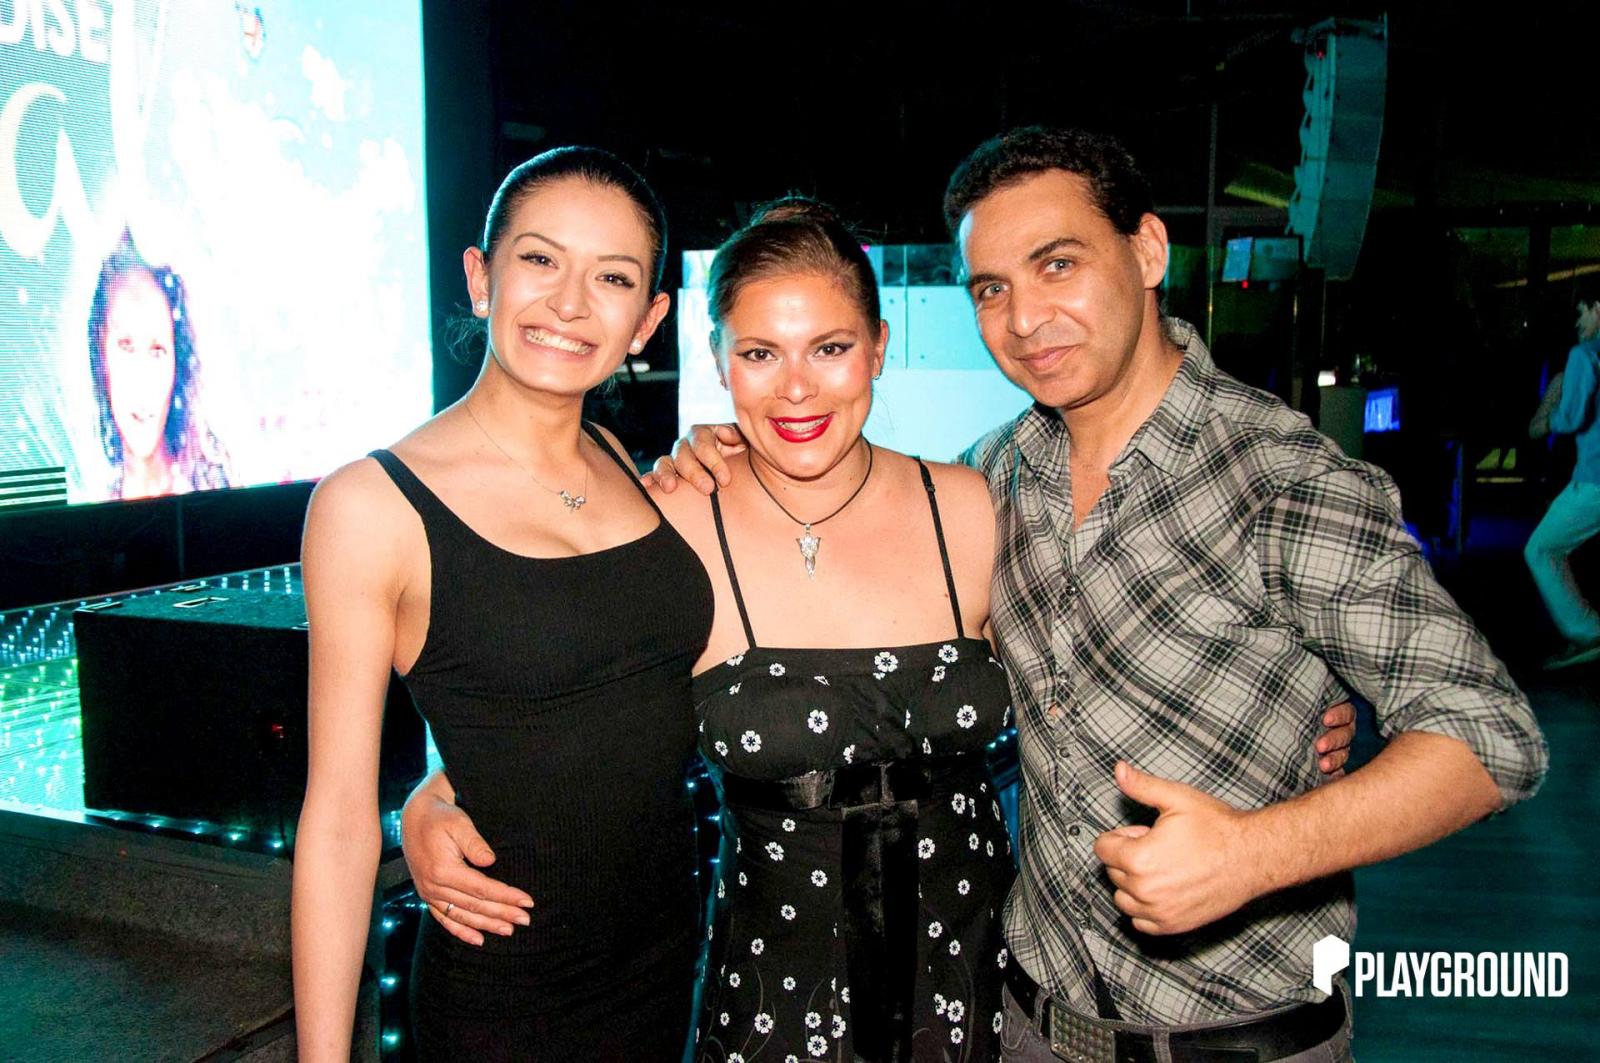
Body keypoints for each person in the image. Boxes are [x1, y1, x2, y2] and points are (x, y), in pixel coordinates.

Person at [658, 127, 1547, 1062]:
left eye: (1058, 264)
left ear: (1148, 250)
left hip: (1235, 1038)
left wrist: (1257, 848)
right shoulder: (993, 479)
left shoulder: (1280, 478)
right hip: (1021, 1019)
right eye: (991, 288)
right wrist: (720, 455)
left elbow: (1491, 735)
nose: (1025, 317)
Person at [403, 195, 1356, 1061]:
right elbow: (571, 696)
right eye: (760, 354)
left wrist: (1303, 701)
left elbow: (1106, 660)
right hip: (773, 999)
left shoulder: (970, 504)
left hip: (982, 986)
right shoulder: (676, 520)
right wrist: (435, 792)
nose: (796, 390)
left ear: (879, 346)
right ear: (718, 358)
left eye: (829, 348)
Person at [291, 147, 703, 1062]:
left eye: (613, 278)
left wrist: (440, 786)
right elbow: (338, 819)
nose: (570, 303)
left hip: (663, 967)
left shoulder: (623, 462)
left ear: (648, 319)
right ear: (481, 278)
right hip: (508, 992)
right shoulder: (371, 505)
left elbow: (602, 702)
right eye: (540, 259)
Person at [87, 229, 230, 499]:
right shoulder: (91, 497)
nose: (142, 380)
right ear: (100, 354)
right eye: (126, 346)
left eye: (157, 351)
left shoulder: (217, 486)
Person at [1524, 282, 1600, 670]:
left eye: (1581, 313)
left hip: (1594, 478)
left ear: (1597, 307)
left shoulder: (1584, 355)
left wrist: (1546, 418)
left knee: (1541, 549)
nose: (1577, 323)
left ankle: (1587, 632)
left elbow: (1572, 418)